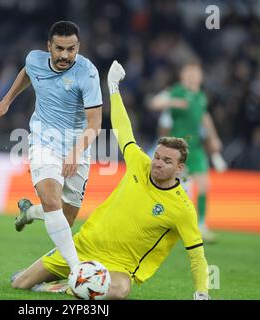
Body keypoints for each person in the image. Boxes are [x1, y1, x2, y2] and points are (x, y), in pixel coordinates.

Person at [11, 61, 210, 300]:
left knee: (120, 290)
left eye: (167, 161)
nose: (157, 163)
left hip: (119, 267)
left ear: (180, 168)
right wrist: (113, 88)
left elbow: (197, 256)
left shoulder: (182, 208)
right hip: (82, 247)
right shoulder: (140, 162)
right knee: (19, 284)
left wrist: (202, 293)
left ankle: (62, 286)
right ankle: (68, 280)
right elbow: (122, 128)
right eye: (157, 156)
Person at [0, 21, 103, 271]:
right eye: (59, 48)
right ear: (48, 46)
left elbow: (95, 123)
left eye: (71, 49)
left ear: (78, 47)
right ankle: (77, 270)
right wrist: (7, 101)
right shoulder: (34, 59)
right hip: (44, 140)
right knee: (51, 201)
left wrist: (75, 152)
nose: (65, 55)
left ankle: (28, 213)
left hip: (78, 143)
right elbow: (27, 72)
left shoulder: (87, 72)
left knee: (67, 216)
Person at [149, 60, 227, 243]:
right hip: (175, 149)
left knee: (204, 185)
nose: (194, 76)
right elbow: (154, 103)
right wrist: (174, 102)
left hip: (196, 149)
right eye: (190, 72)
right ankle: (162, 221)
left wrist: (214, 137)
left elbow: (205, 118)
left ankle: (201, 225)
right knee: (173, 187)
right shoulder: (177, 91)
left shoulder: (200, 97)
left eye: (196, 72)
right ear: (183, 75)